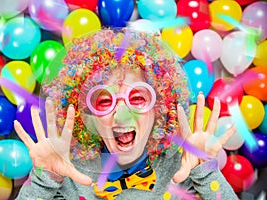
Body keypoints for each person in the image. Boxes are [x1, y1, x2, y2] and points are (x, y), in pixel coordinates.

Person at [14, 28, 237, 200]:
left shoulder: (181, 167)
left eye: (138, 98)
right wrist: (45, 181)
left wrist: (206, 173)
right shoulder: (68, 174)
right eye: (104, 101)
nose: (121, 115)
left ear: (158, 109)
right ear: (87, 116)